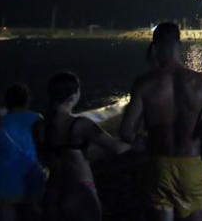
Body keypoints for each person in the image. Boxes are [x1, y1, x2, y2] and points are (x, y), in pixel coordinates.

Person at [120, 22, 202, 221]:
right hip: (190, 161)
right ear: (179, 46)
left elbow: (125, 132)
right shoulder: (200, 82)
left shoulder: (144, 83)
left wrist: (144, 142)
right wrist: (198, 138)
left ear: (155, 48)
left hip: (159, 163)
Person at [35, 71, 130, 220]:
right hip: (79, 188)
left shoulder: (39, 126)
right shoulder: (80, 125)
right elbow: (117, 148)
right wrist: (137, 141)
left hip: (52, 191)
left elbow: (47, 156)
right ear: (73, 96)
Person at [0, 84, 46, 220]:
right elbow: (44, 146)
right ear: (28, 99)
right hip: (32, 173)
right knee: (34, 212)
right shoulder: (37, 119)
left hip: (5, 176)